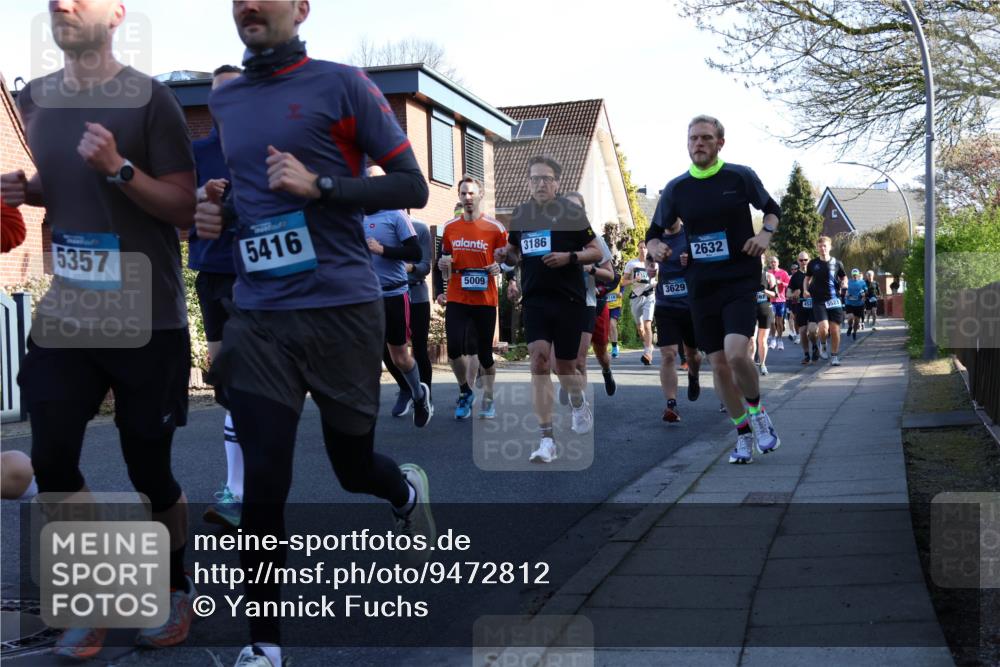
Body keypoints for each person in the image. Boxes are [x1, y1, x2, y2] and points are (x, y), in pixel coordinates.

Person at [193, 3, 434, 664]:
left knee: (352, 466)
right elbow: (253, 202)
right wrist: (219, 211)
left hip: (341, 309)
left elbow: (410, 186)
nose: (247, 4)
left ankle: (402, 488)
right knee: (263, 478)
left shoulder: (342, 84)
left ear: (300, 8)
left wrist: (322, 185)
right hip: (262, 315)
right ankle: (264, 645)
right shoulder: (230, 99)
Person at [2, 0, 197, 657]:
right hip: (69, 310)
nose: (62, 4)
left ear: (115, 13)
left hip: (148, 314)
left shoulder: (154, 101)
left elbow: (184, 206)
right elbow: (60, 190)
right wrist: (24, 190)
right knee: (52, 455)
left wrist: (120, 166)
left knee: (151, 469)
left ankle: (174, 591)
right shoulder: (35, 102)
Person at [646, 114, 781, 465]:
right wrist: (655, 248)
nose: (698, 144)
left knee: (737, 354)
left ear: (720, 142)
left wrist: (764, 235)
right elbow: (653, 232)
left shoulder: (739, 176)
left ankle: (758, 411)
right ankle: (742, 433)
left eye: (706, 138)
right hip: (702, 286)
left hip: (739, 277)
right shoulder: (677, 188)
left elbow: (771, 210)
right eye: (693, 138)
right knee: (718, 365)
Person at [495, 155, 603, 464]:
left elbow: (595, 251)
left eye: (546, 179)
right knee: (539, 363)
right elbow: (515, 254)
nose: (540, 184)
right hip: (536, 300)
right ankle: (546, 440)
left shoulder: (572, 213)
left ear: (556, 182)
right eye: (535, 179)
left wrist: (569, 257)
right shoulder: (521, 214)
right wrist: (507, 256)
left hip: (569, 301)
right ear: (528, 182)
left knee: (565, 368)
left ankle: (579, 402)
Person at [189, 64, 244, 529]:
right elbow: (174, 203)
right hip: (211, 273)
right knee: (225, 383)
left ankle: (239, 490)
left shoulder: (262, 150)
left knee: (244, 383)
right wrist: (202, 197)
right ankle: (245, 481)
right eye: (217, 93)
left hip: (254, 279)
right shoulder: (197, 152)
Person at [364, 167, 432, 428]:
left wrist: (382, 250)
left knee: (400, 356)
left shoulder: (396, 216)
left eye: (374, 180)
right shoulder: (353, 217)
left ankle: (418, 394)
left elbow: (415, 252)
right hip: (366, 297)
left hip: (394, 293)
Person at [438, 176, 507, 420]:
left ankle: (488, 396)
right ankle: (465, 391)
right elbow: (442, 260)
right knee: (454, 348)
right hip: (457, 295)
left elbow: (508, 260)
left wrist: (501, 269)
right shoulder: (449, 228)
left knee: (485, 354)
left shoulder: (495, 228)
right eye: (463, 193)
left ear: (480, 196)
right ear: (459, 196)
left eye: (471, 193)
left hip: (485, 300)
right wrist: (441, 280)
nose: (467, 198)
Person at [563, 192, 617, 397]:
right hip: (562, 303)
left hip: (588, 302)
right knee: (561, 360)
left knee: (597, 353)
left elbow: (610, 275)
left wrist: (590, 270)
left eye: (576, 208)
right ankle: (574, 392)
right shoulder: (555, 237)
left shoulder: (594, 239)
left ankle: (606, 371)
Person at [649, 217, 701, 422]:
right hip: (665, 305)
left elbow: (706, 261)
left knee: (692, 354)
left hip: (690, 306)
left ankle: (694, 376)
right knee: (668, 354)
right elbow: (648, 258)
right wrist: (650, 266)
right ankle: (671, 405)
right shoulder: (656, 236)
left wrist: (691, 262)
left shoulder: (690, 233)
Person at [805, 236, 848, 366]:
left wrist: (845, 283)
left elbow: (843, 276)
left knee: (835, 330)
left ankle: (834, 356)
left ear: (830, 247)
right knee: (823, 328)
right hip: (819, 300)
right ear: (817, 248)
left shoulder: (837, 263)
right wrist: (805, 290)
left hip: (834, 299)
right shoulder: (813, 263)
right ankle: (823, 344)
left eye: (825, 246)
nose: (823, 248)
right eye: (820, 246)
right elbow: (807, 278)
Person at [623, 240, 657, 365]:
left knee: (647, 324)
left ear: (648, 250)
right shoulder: (631, 264)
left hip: (649, 295)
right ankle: (648, 345)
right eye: (641, 247)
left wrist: (655, 284)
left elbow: (656, 279)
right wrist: (633, 280)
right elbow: (623, 282)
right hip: (636, 297)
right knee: (640, 328)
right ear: (638, 249)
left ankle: (648, 353)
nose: (643, 250)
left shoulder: (654, 263)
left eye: (645, 248)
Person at [754, 259, 778, 375]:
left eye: (760, 259)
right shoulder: (747, 276)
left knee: (762, 340)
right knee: (751, 339)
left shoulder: (769, 276)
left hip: (765, 309)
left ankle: (762, 364)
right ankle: (751, 365)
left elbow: (775, 294)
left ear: (763, 262)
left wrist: (764, 291)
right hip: (750, 309)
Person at [766, 255, 790, 350]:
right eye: (771, 262)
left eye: (775, 262)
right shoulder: (768, 273)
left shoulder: (783, 273)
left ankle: (780, 340)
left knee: (779, 322)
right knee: (772, 321)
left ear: (778, 263)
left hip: (781, 300)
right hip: (771, 300)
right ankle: (773, 339)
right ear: (770, 264)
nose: (773, 264)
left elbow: (789, 283)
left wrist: (781, 283)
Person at [845, 268, 868, 341]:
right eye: (853, 275)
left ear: (858, 275)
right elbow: (844, 289)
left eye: (856, 275)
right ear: (851, 275)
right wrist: (846, 294)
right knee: (850, 317)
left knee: (857, 322)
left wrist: (864, 294)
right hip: (849, 303)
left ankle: (854, 332)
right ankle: (849, 327)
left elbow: (866, 291)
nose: (855, 276)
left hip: (859, 304)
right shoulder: (848, 282)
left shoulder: (862, 282)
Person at [605, 282, 623, 358]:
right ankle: (609, 345)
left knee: (612, 325)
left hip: (616, 305)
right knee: (606, 327)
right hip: (604, 304)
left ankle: (614, 348)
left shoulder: (618, 274)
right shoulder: (602, 274)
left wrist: (621, 292)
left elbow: (623, 284)